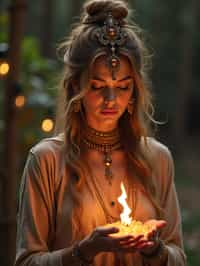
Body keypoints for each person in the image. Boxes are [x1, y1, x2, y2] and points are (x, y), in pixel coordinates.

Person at [15, 0, 187, 265]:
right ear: (76, 88)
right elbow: (27, 261)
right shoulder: (47, 160)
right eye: (97, 86)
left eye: (122, 87)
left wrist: (155, 250)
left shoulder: (157, 158)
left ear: (134, 92)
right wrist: (83, 250)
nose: (111, 99)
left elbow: (178, 257)